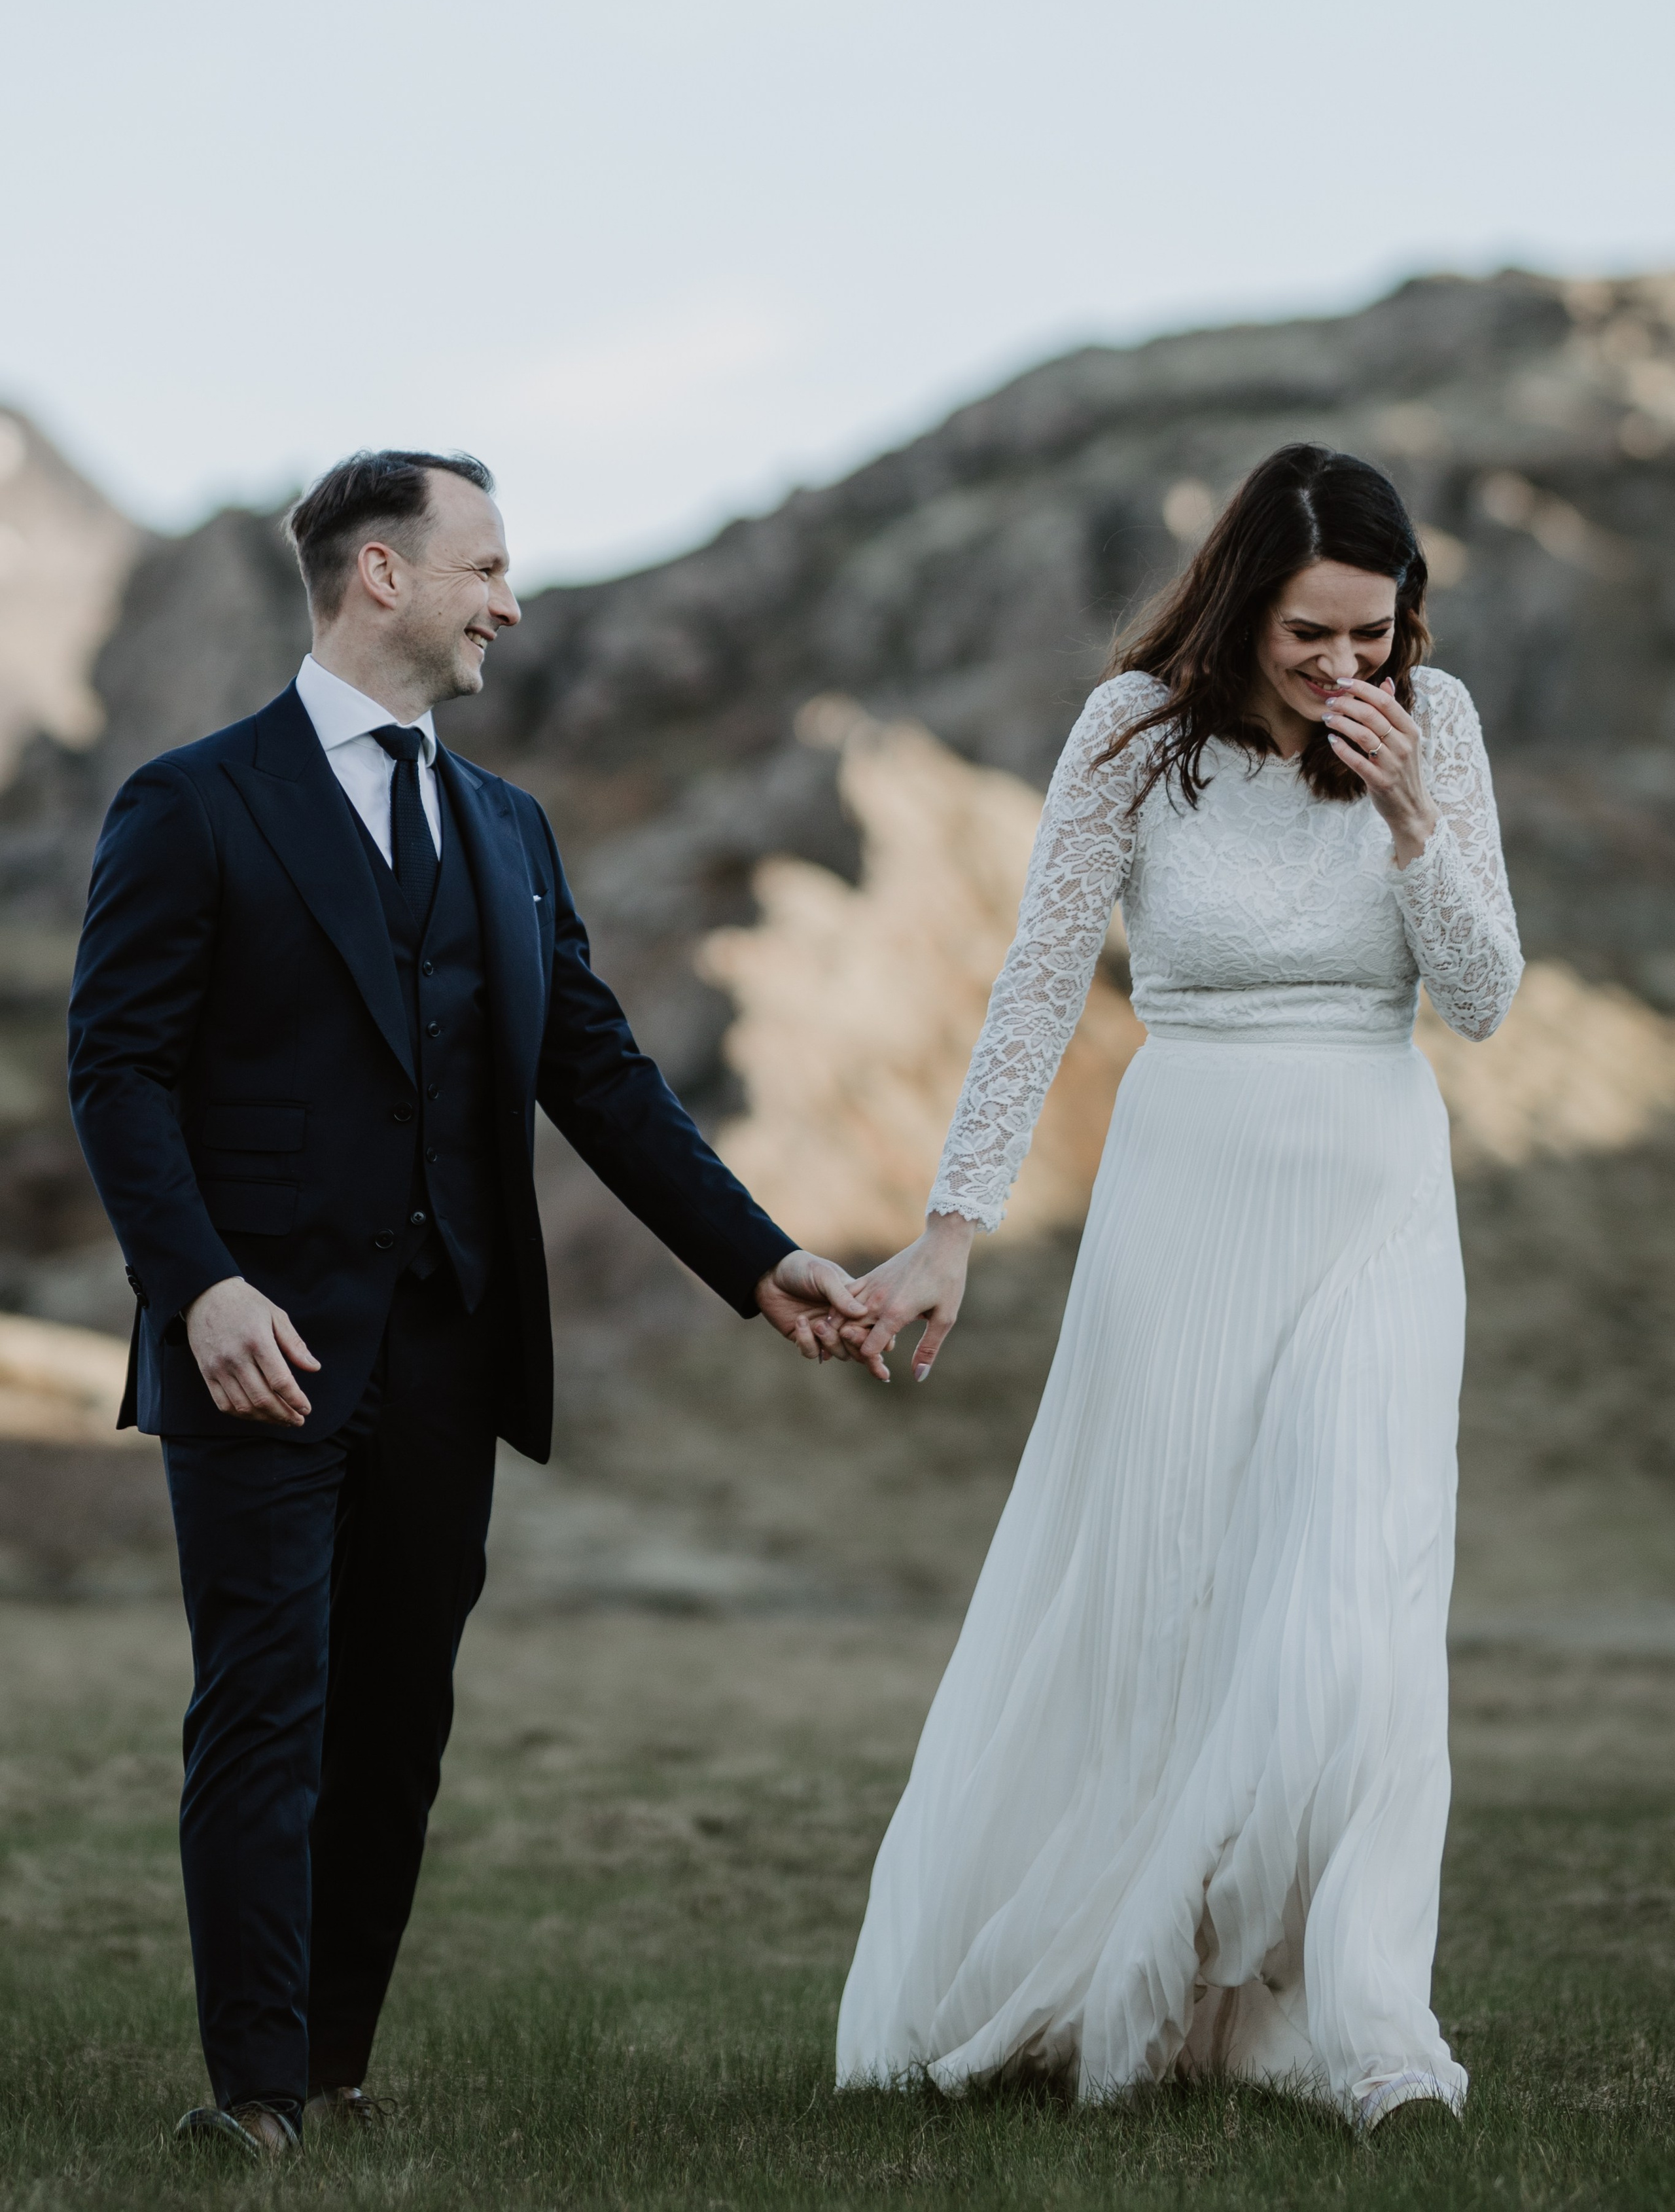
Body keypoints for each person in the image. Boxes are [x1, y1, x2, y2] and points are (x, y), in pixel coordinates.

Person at [67, 450, 865, 2162]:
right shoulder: (192, 801)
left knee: (398, 1717)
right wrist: (197, 1286)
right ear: (380, 574)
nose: (511, 601)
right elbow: (117, 1073)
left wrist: (760, 1255)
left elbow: (604, 1079)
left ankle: (335, 2062)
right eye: (486, 566)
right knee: (264, 1706)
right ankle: (256, 2095)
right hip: (255, 1350)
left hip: (445, 1347)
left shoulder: (507, 831)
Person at [833, 443, 1522, 2133]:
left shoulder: (1439, 731)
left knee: (1355, 1601)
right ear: (1239, 605)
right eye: (1313, 637)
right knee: (1173, 1603)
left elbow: (1487, 995)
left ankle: (1369, 2026)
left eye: (1377, 635)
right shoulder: (1131, 739)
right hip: (1185, 1201)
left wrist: (1419, 824)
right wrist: (952, 1222)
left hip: (1373, 1194)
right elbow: (1040, 983)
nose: (1349, 670)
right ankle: (1143, 1974)